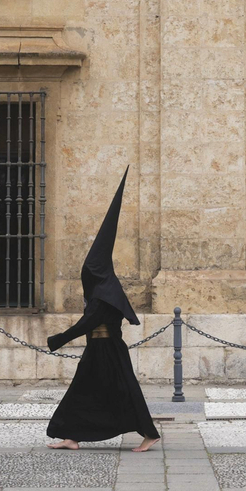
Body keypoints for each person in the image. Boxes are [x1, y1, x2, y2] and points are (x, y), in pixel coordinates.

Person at [46, 168, 161, 453]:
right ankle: (71, 436)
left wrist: (58, 339)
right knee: (82, 391)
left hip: (109, 350)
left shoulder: (105, 294)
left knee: (127, 392)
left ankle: (150, 434)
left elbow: (89, 322)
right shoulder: (104, 291)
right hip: (97, 351)